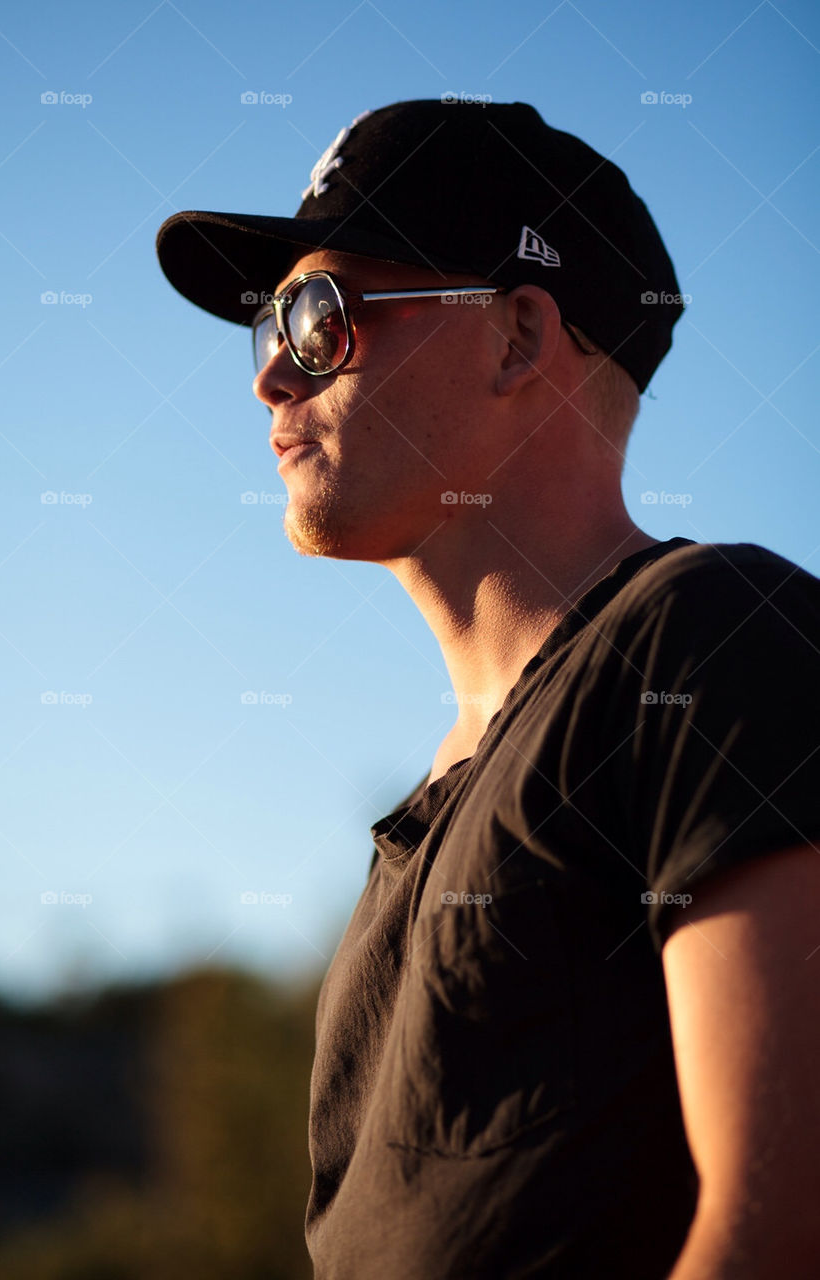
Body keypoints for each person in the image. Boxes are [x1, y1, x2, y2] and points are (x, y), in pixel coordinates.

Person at [156, 99, 820, 1279]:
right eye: (266, 325)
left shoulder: (710, 643)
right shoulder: (423, 818)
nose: (270, 376)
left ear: (517, 336)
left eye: (319, 317)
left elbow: (779, 1222)